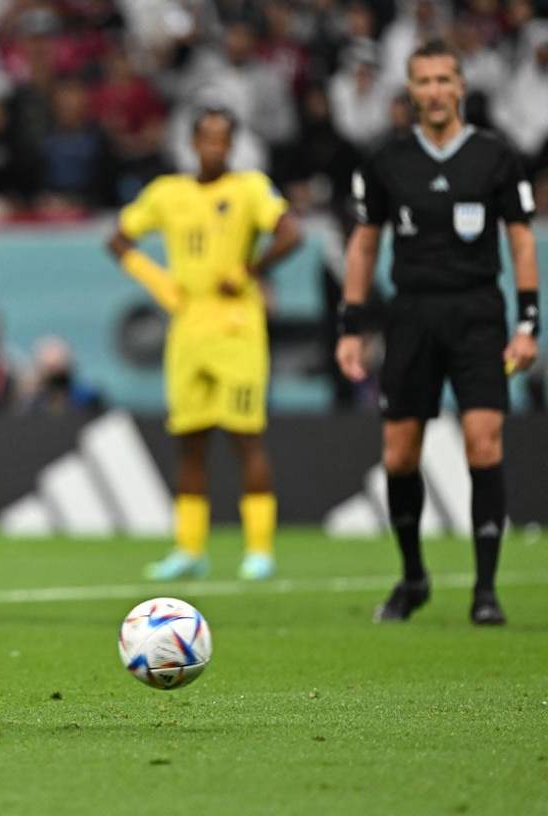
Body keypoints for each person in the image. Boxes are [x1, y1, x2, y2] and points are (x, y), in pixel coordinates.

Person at [336, 39, 539, 626]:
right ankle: (414, 577)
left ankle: (485, 589)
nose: (433, 91)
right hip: (411, 316)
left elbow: (521, 240)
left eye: (443, 80)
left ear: (461, 87)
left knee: (485, 443)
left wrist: (528, 322)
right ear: (410, 90)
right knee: (399, 455)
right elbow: (364, 243)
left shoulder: (497, 157)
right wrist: (352, 324)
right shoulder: (386, 160)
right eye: (422, 81)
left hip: (478, 312)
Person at [106, 108, 302, 582]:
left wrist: (251, 269)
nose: (214, 147)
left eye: (222, 139)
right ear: (193, 143)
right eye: (206, 139)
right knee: (190, 442)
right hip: (189, 327)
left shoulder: (250, 188)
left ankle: (259, 549)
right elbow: (118, 240)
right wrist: (160, 284)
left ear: (232, 144)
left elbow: (292, 233)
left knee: (245, 437)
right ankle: (189, 548)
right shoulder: (167, 193)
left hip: (238, 327)